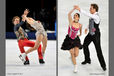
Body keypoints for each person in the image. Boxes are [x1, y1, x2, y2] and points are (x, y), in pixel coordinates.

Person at [74, 4, 107, 71]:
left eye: (91, 8)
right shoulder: (92, 16)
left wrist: (80, 9)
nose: (90, 9)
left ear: (94, 9)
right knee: (85, 45)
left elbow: (89, 15)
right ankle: (87, 60)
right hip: (90, 34)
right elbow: (90, 22)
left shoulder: (96, 16)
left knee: (98, 50)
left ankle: (103, 65)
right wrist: (87, 28)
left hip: (96, 35)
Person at [61, 7, 82, 73]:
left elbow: (80, 31)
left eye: (76, 15)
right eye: (74, 15)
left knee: (76, 54)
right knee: (72, 53)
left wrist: (80, 34)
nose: (74, 16)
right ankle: (75, 66)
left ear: (78, 18)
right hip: (69, 40)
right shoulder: (71, 22)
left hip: (76, 40)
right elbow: (69, 14)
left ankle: (72, 58)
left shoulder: (80, 25)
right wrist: (74, 9)